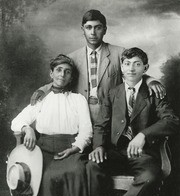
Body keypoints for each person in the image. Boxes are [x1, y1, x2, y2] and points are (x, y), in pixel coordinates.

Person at [87, 47, 179, 196]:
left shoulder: (154, 93)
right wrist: (99, 146)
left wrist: (143, 134)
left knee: (149, 176)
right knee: (92, 165)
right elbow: (101, 125)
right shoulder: (112, 93)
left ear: (145, 68)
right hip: (115, 152)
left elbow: (172, 121)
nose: (131, 68)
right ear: (121, 67)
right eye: (127, 64)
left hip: (143, 153)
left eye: (137, 64)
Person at [7, 54, 93, 196]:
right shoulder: (40, 100)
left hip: (70, 148)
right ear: (51, 74)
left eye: (67, 71)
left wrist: (75, 147)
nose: (62, 74)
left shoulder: (78, 99)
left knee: (76, 173)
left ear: (71, 77)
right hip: (42, 150)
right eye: (59, 70)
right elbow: (16, 122)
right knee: (42, 178)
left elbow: (87, 130)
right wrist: (28, 129)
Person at [30, 9, 166, 124]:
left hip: (111, 114)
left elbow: (134, 71)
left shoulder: (118, 52)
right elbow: (60, 79)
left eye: (98, 27)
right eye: (89, 27)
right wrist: (43, 90)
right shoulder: (73, 57)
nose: (93, 33)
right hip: (80, 114)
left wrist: (151, 81)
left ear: (105, 30)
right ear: (82, 29)